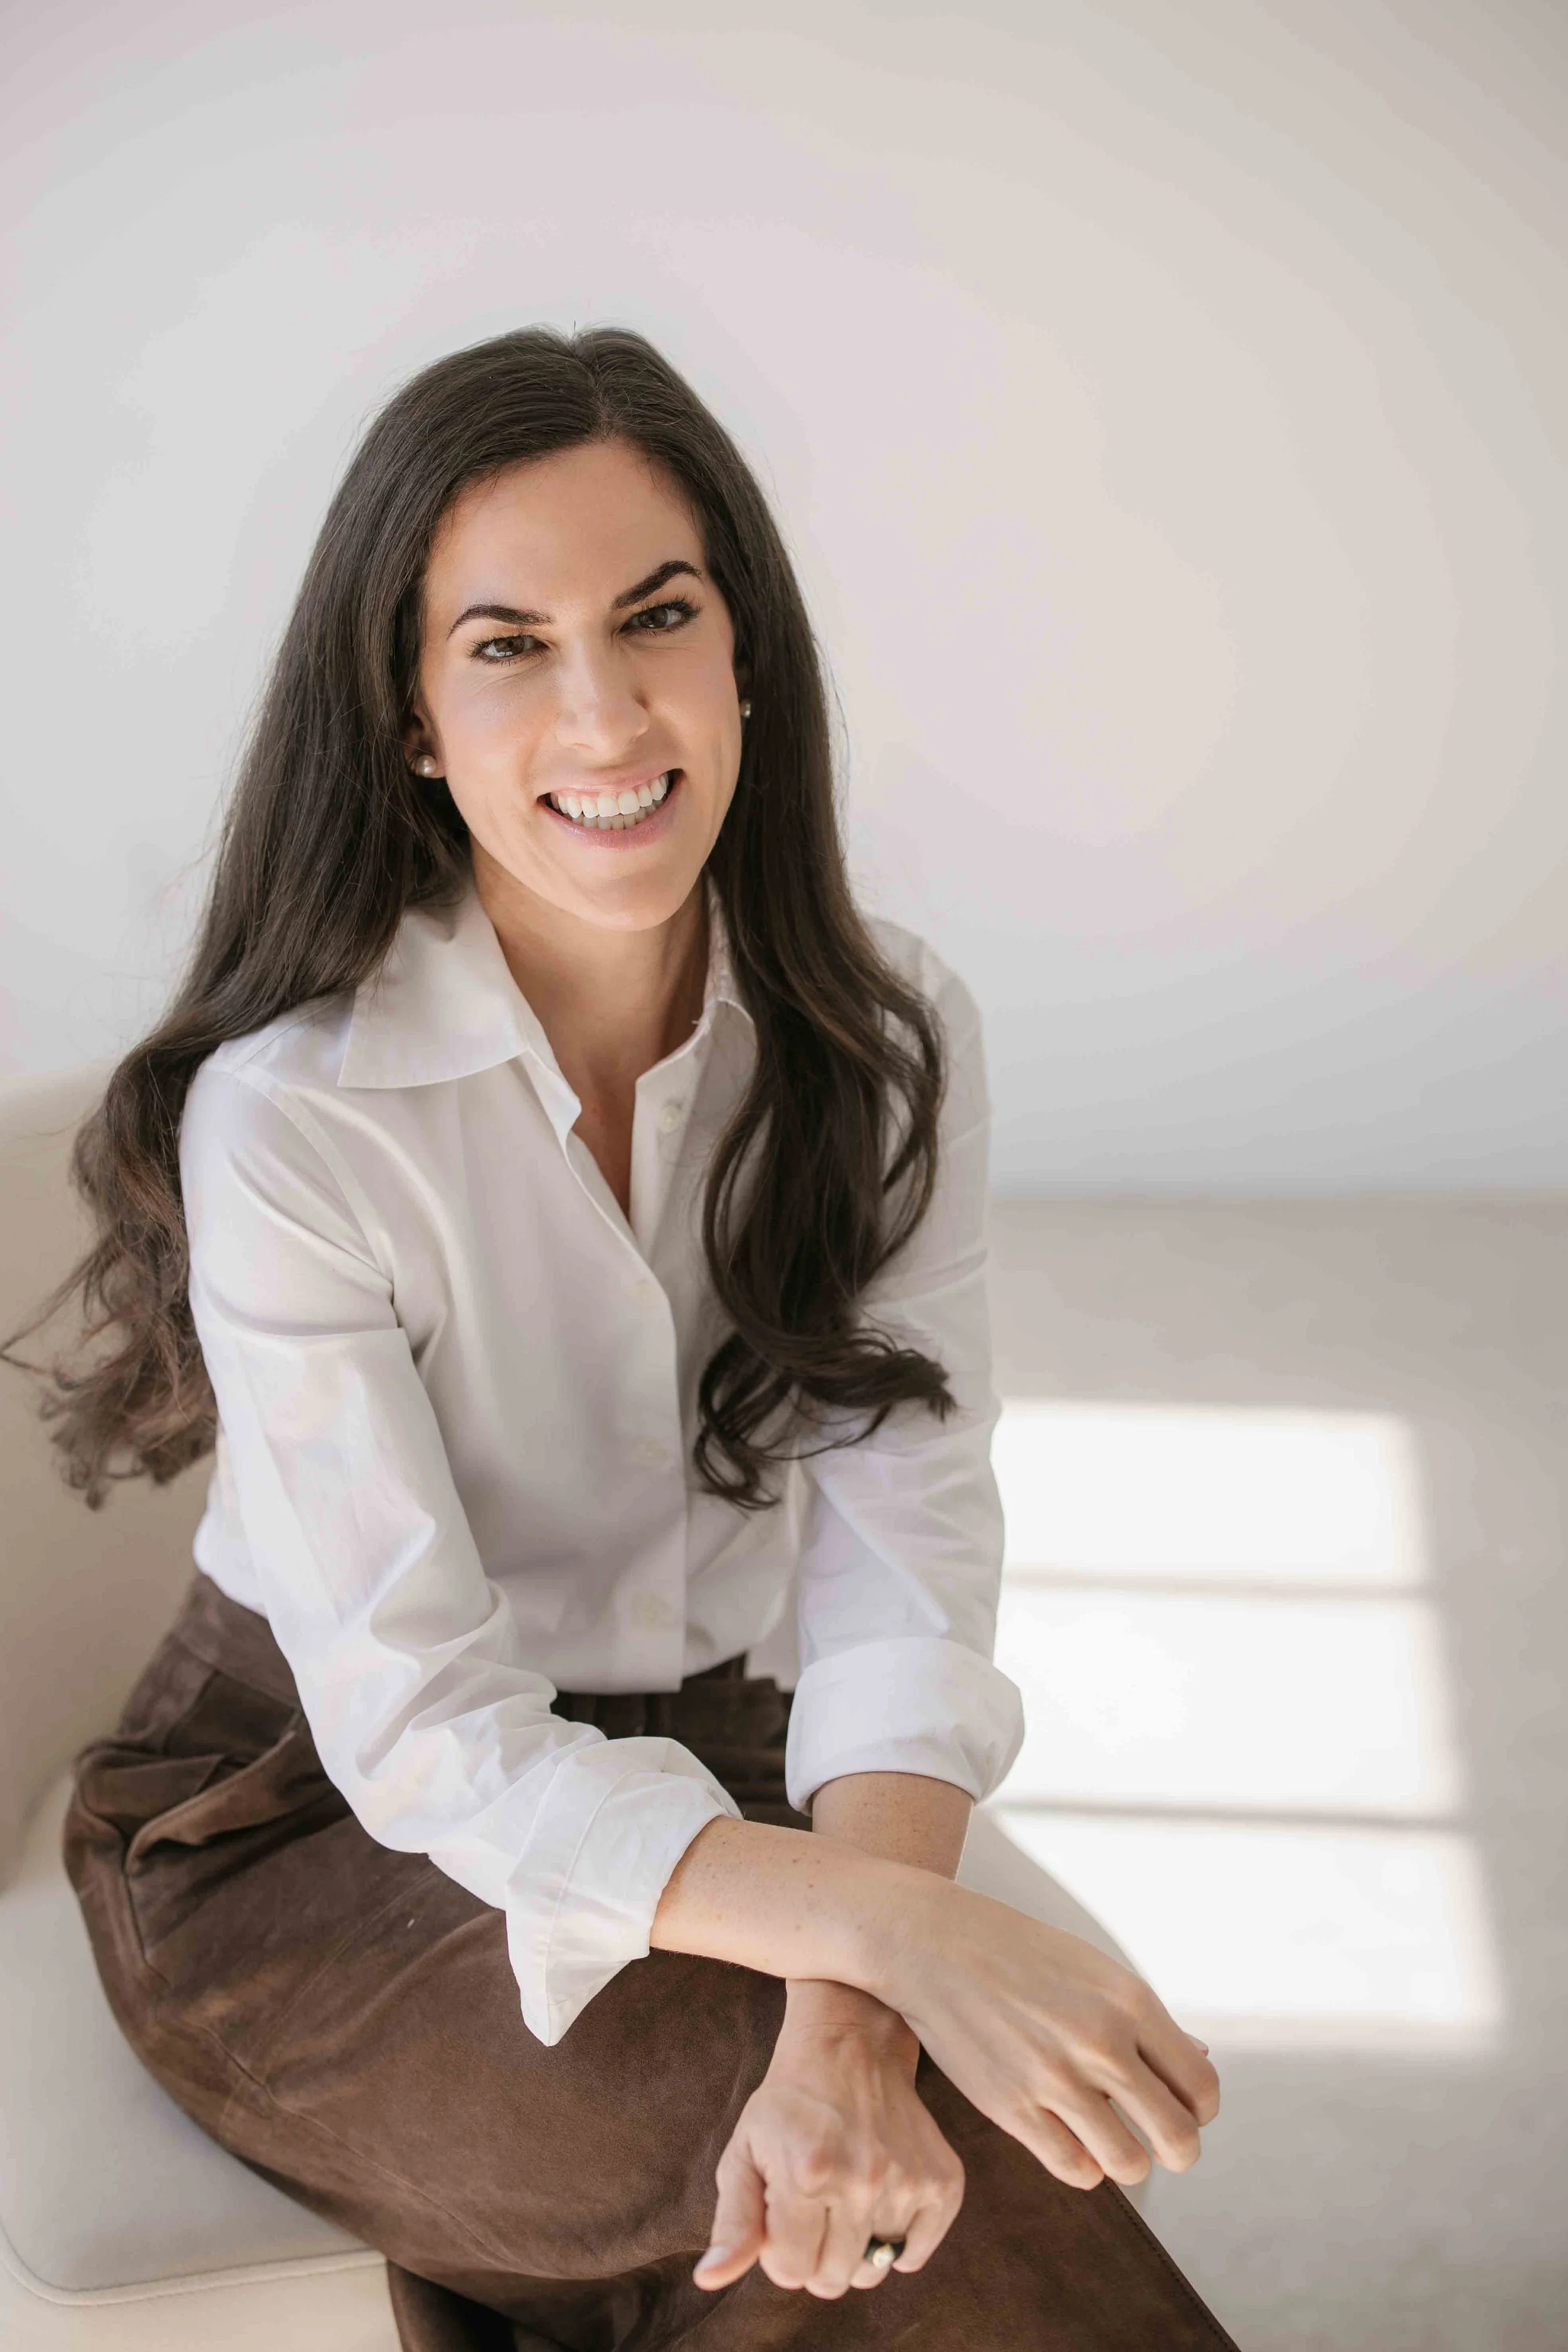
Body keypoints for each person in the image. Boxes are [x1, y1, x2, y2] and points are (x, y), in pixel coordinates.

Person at [9, 326, 1238, 2349]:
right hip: (308, 1833)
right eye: (504, 643)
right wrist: (902, 1933)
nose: (604, 707)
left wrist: (854, 2003)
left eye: (655, 614)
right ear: (407, 717)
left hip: (732, 1750)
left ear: (743, 647)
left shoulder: (879, 1035)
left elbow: (900, 1556)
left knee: (848, 2161)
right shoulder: (295, 1116)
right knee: (902, 2170)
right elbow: (425, 1732)